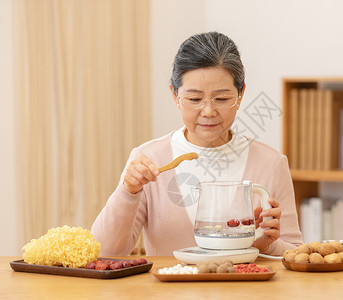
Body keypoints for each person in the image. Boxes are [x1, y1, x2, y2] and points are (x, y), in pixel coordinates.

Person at [91, 32, 303, 256]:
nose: (209, 112)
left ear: (241, 95)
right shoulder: (148, 159)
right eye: (194, 99)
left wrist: (268, 244)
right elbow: (103, 253)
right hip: (167, 291)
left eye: (222, 99)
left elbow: (295, 255)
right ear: (175, 95)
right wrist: (127, 192)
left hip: (245, 291)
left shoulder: (270, 164)